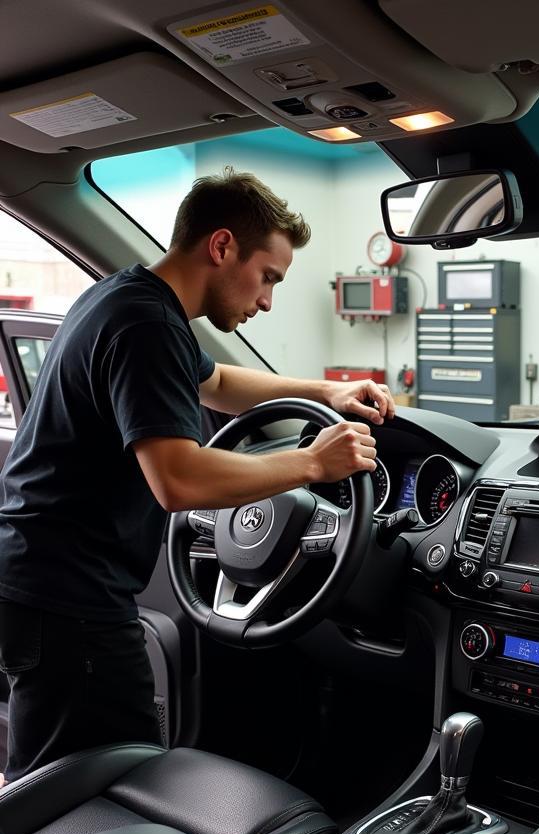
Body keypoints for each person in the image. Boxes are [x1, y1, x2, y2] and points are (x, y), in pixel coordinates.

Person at [0, 167, 395, 785]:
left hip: (44, 580)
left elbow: (219, 384)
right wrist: (314, 463)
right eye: (268, 277)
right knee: (95, 792)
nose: (267, 300)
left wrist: (326, 390)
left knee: (56, 779)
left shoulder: (128, 298)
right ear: (221, 247)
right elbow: (179, 481)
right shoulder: (149, 326)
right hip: (69, 599)